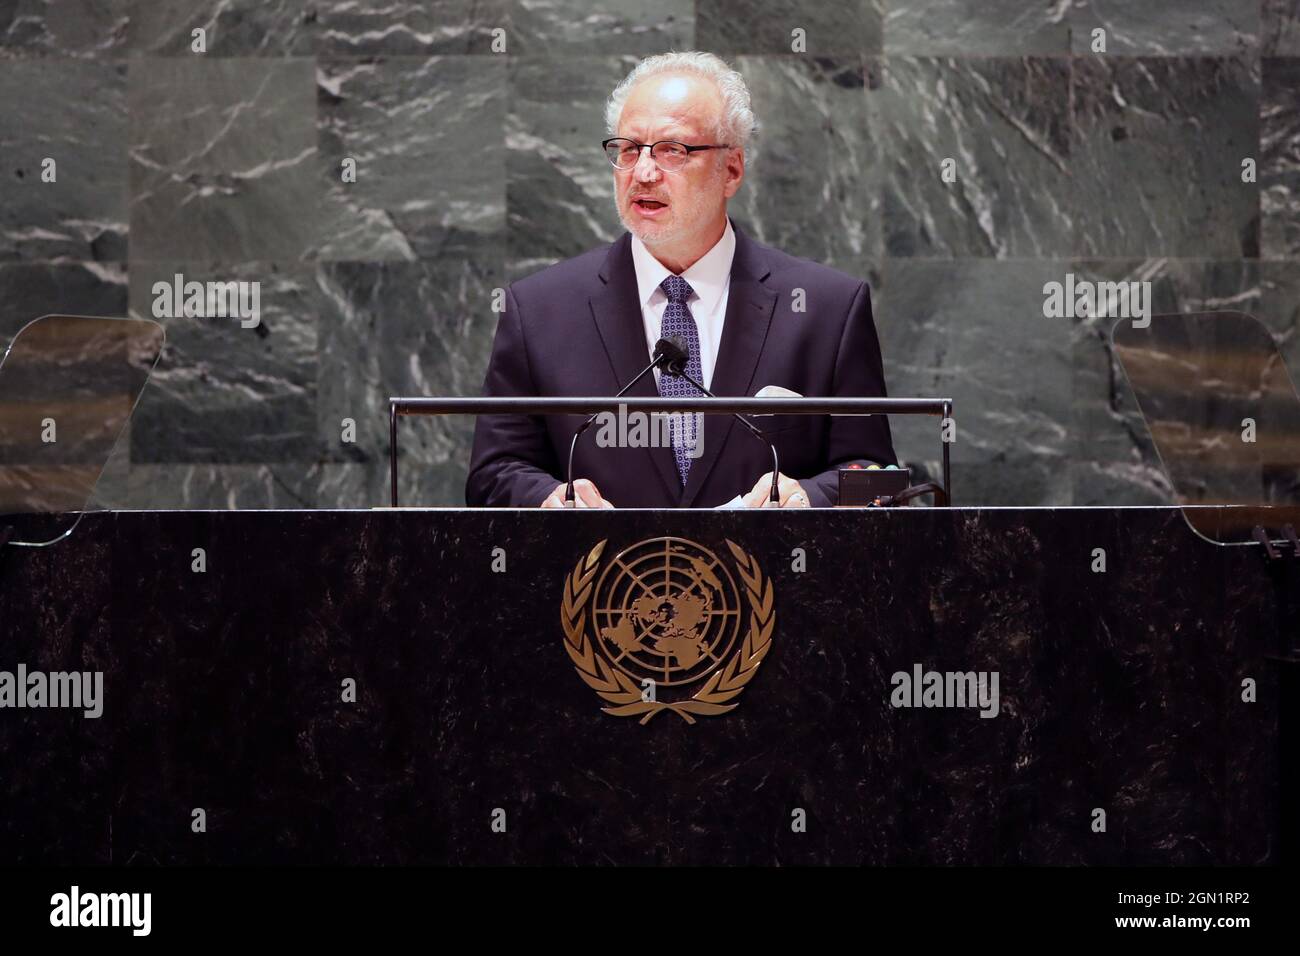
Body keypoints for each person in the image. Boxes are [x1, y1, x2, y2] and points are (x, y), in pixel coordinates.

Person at [466, 51, 895, 509]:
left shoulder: (827, 309)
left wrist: (808, 497)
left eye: (673, 150)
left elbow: (876, 476)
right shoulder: (539, 311)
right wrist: (548, 498)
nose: (644, 173)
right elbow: (493, 474)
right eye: (628, 150)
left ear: (731, 169)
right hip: (605, 577)